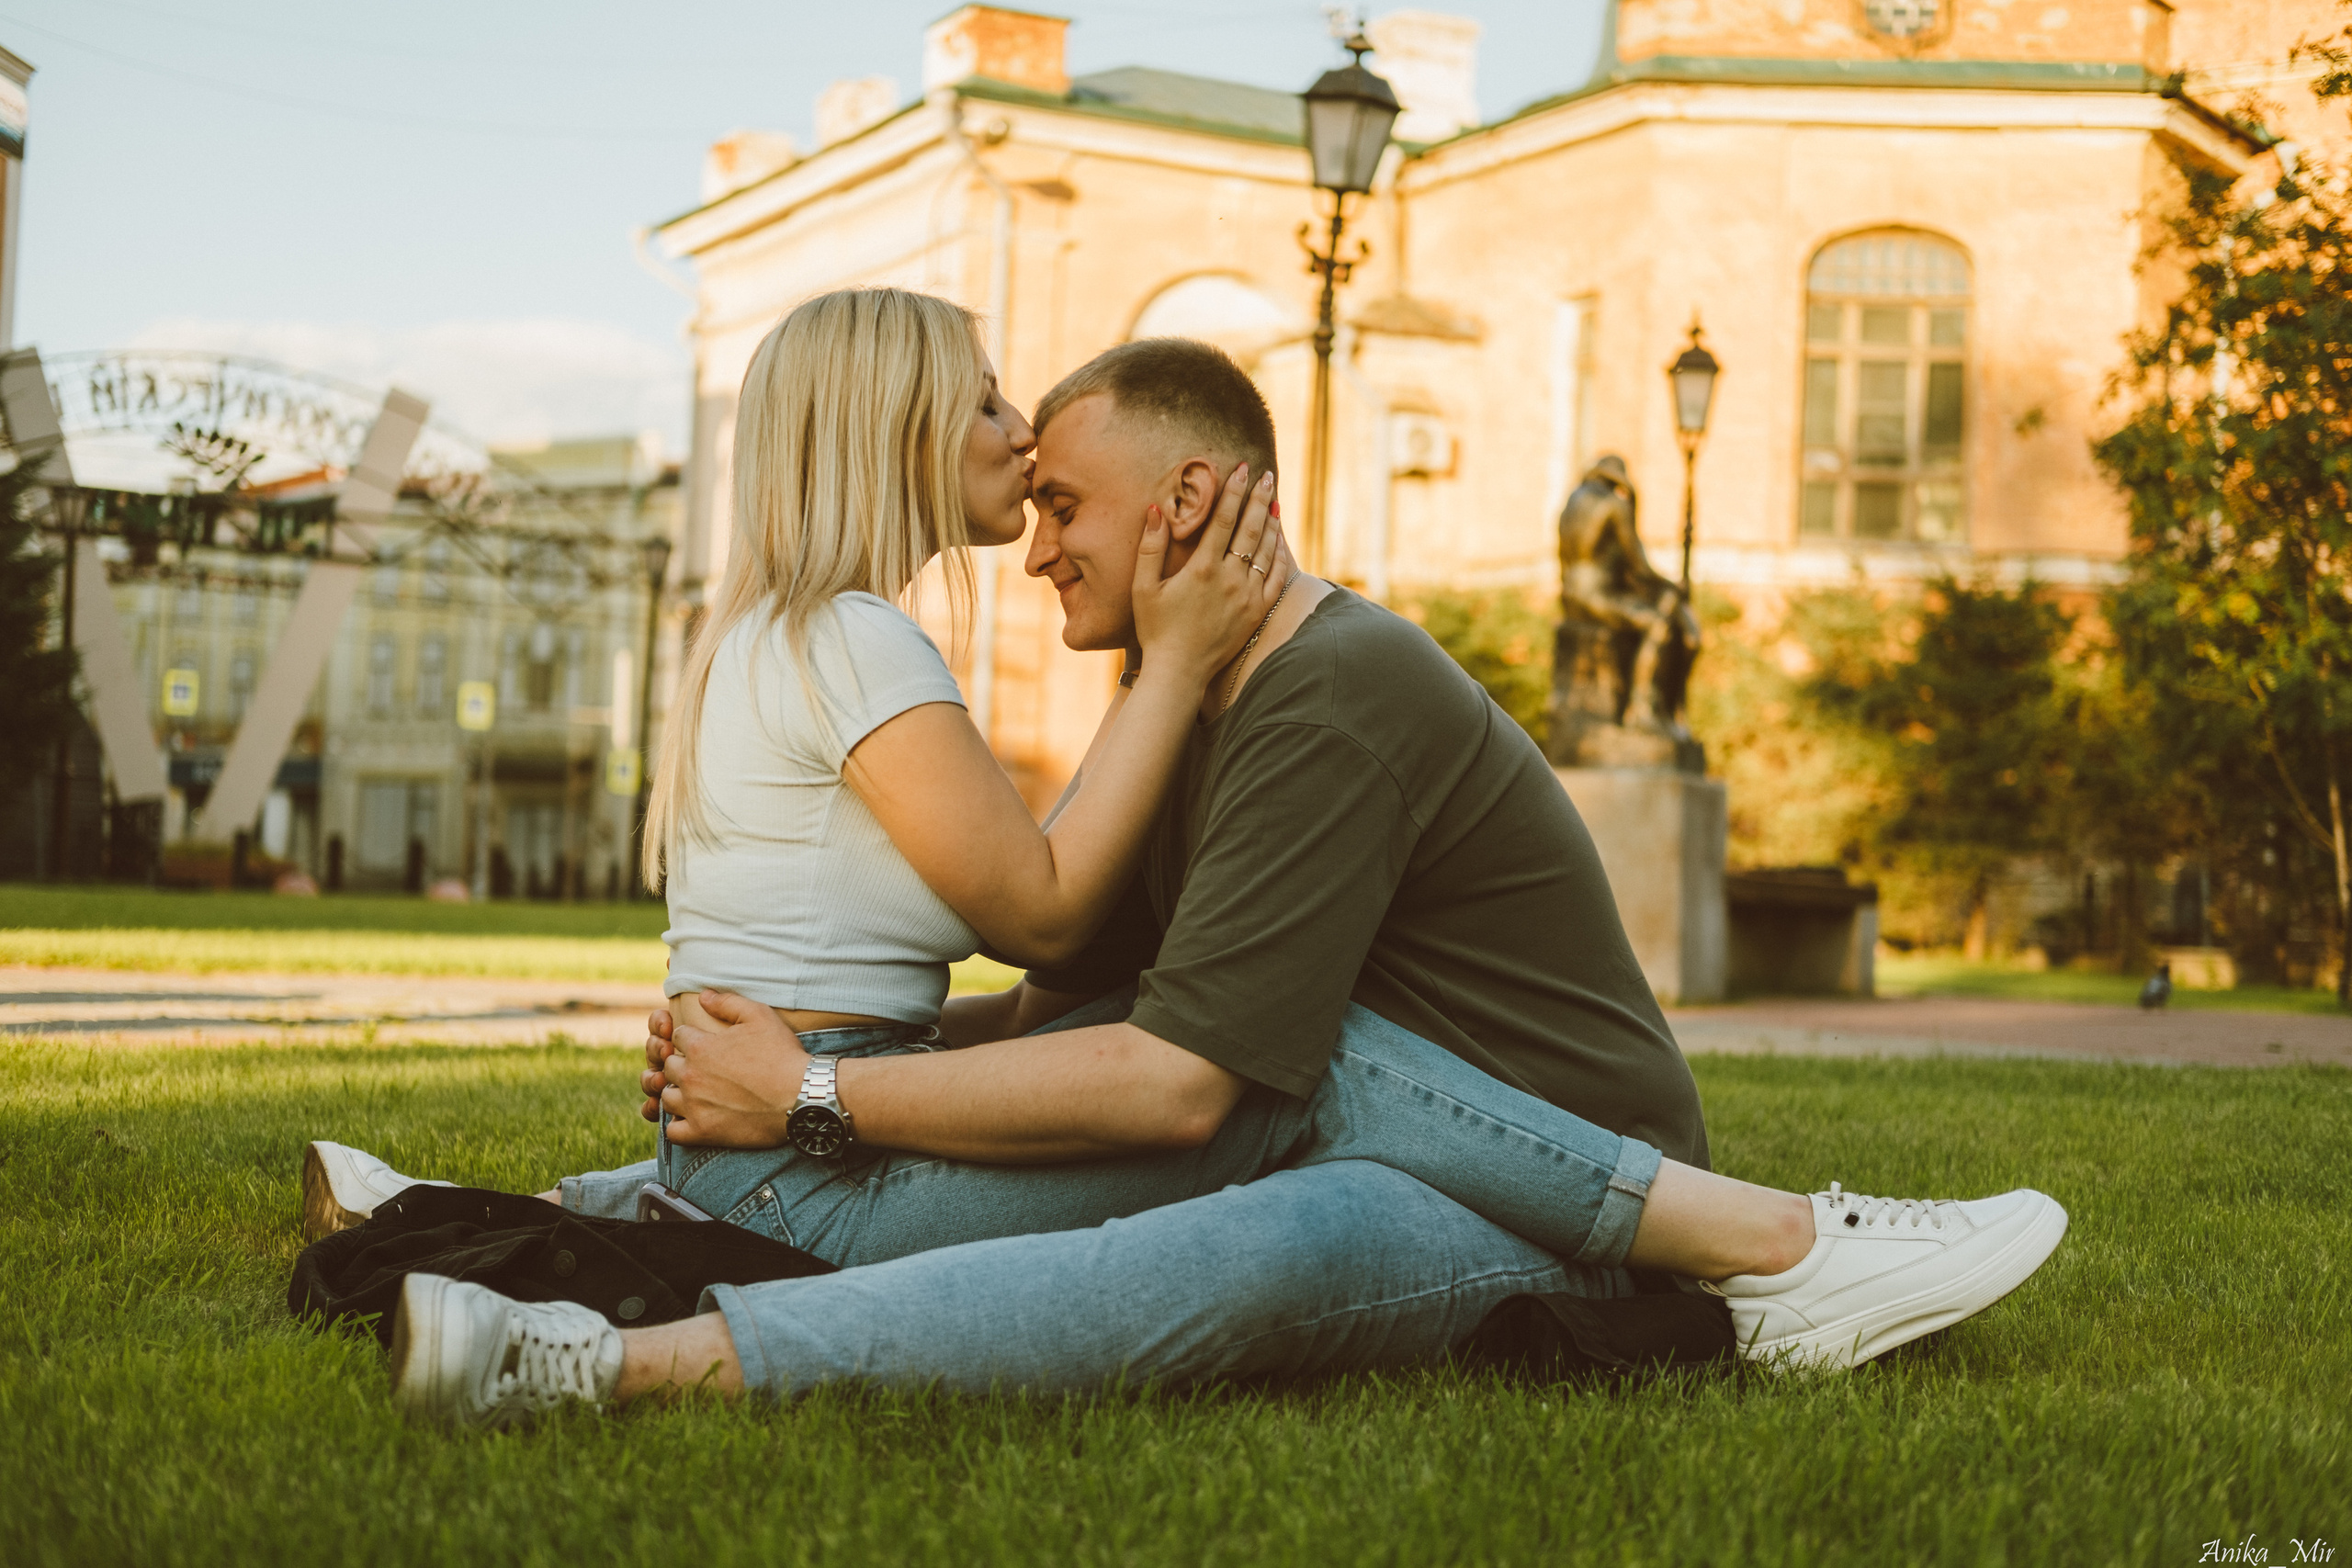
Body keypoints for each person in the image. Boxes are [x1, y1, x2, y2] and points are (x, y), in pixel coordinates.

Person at [329, 325, 2067, 1430]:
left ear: (1193, 507)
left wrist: (821, 1095)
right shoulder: (1180, 707)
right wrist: (791, 1096)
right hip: (1323, 1093)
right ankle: (550, 1238)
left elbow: (1175, 1074)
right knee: (1244, 1086)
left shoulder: (1337, 684)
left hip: (1545, 1174)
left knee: (1259, 1194)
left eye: (1069, 503)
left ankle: (1769, 1254)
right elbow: (1086, 999)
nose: (1039, 548)